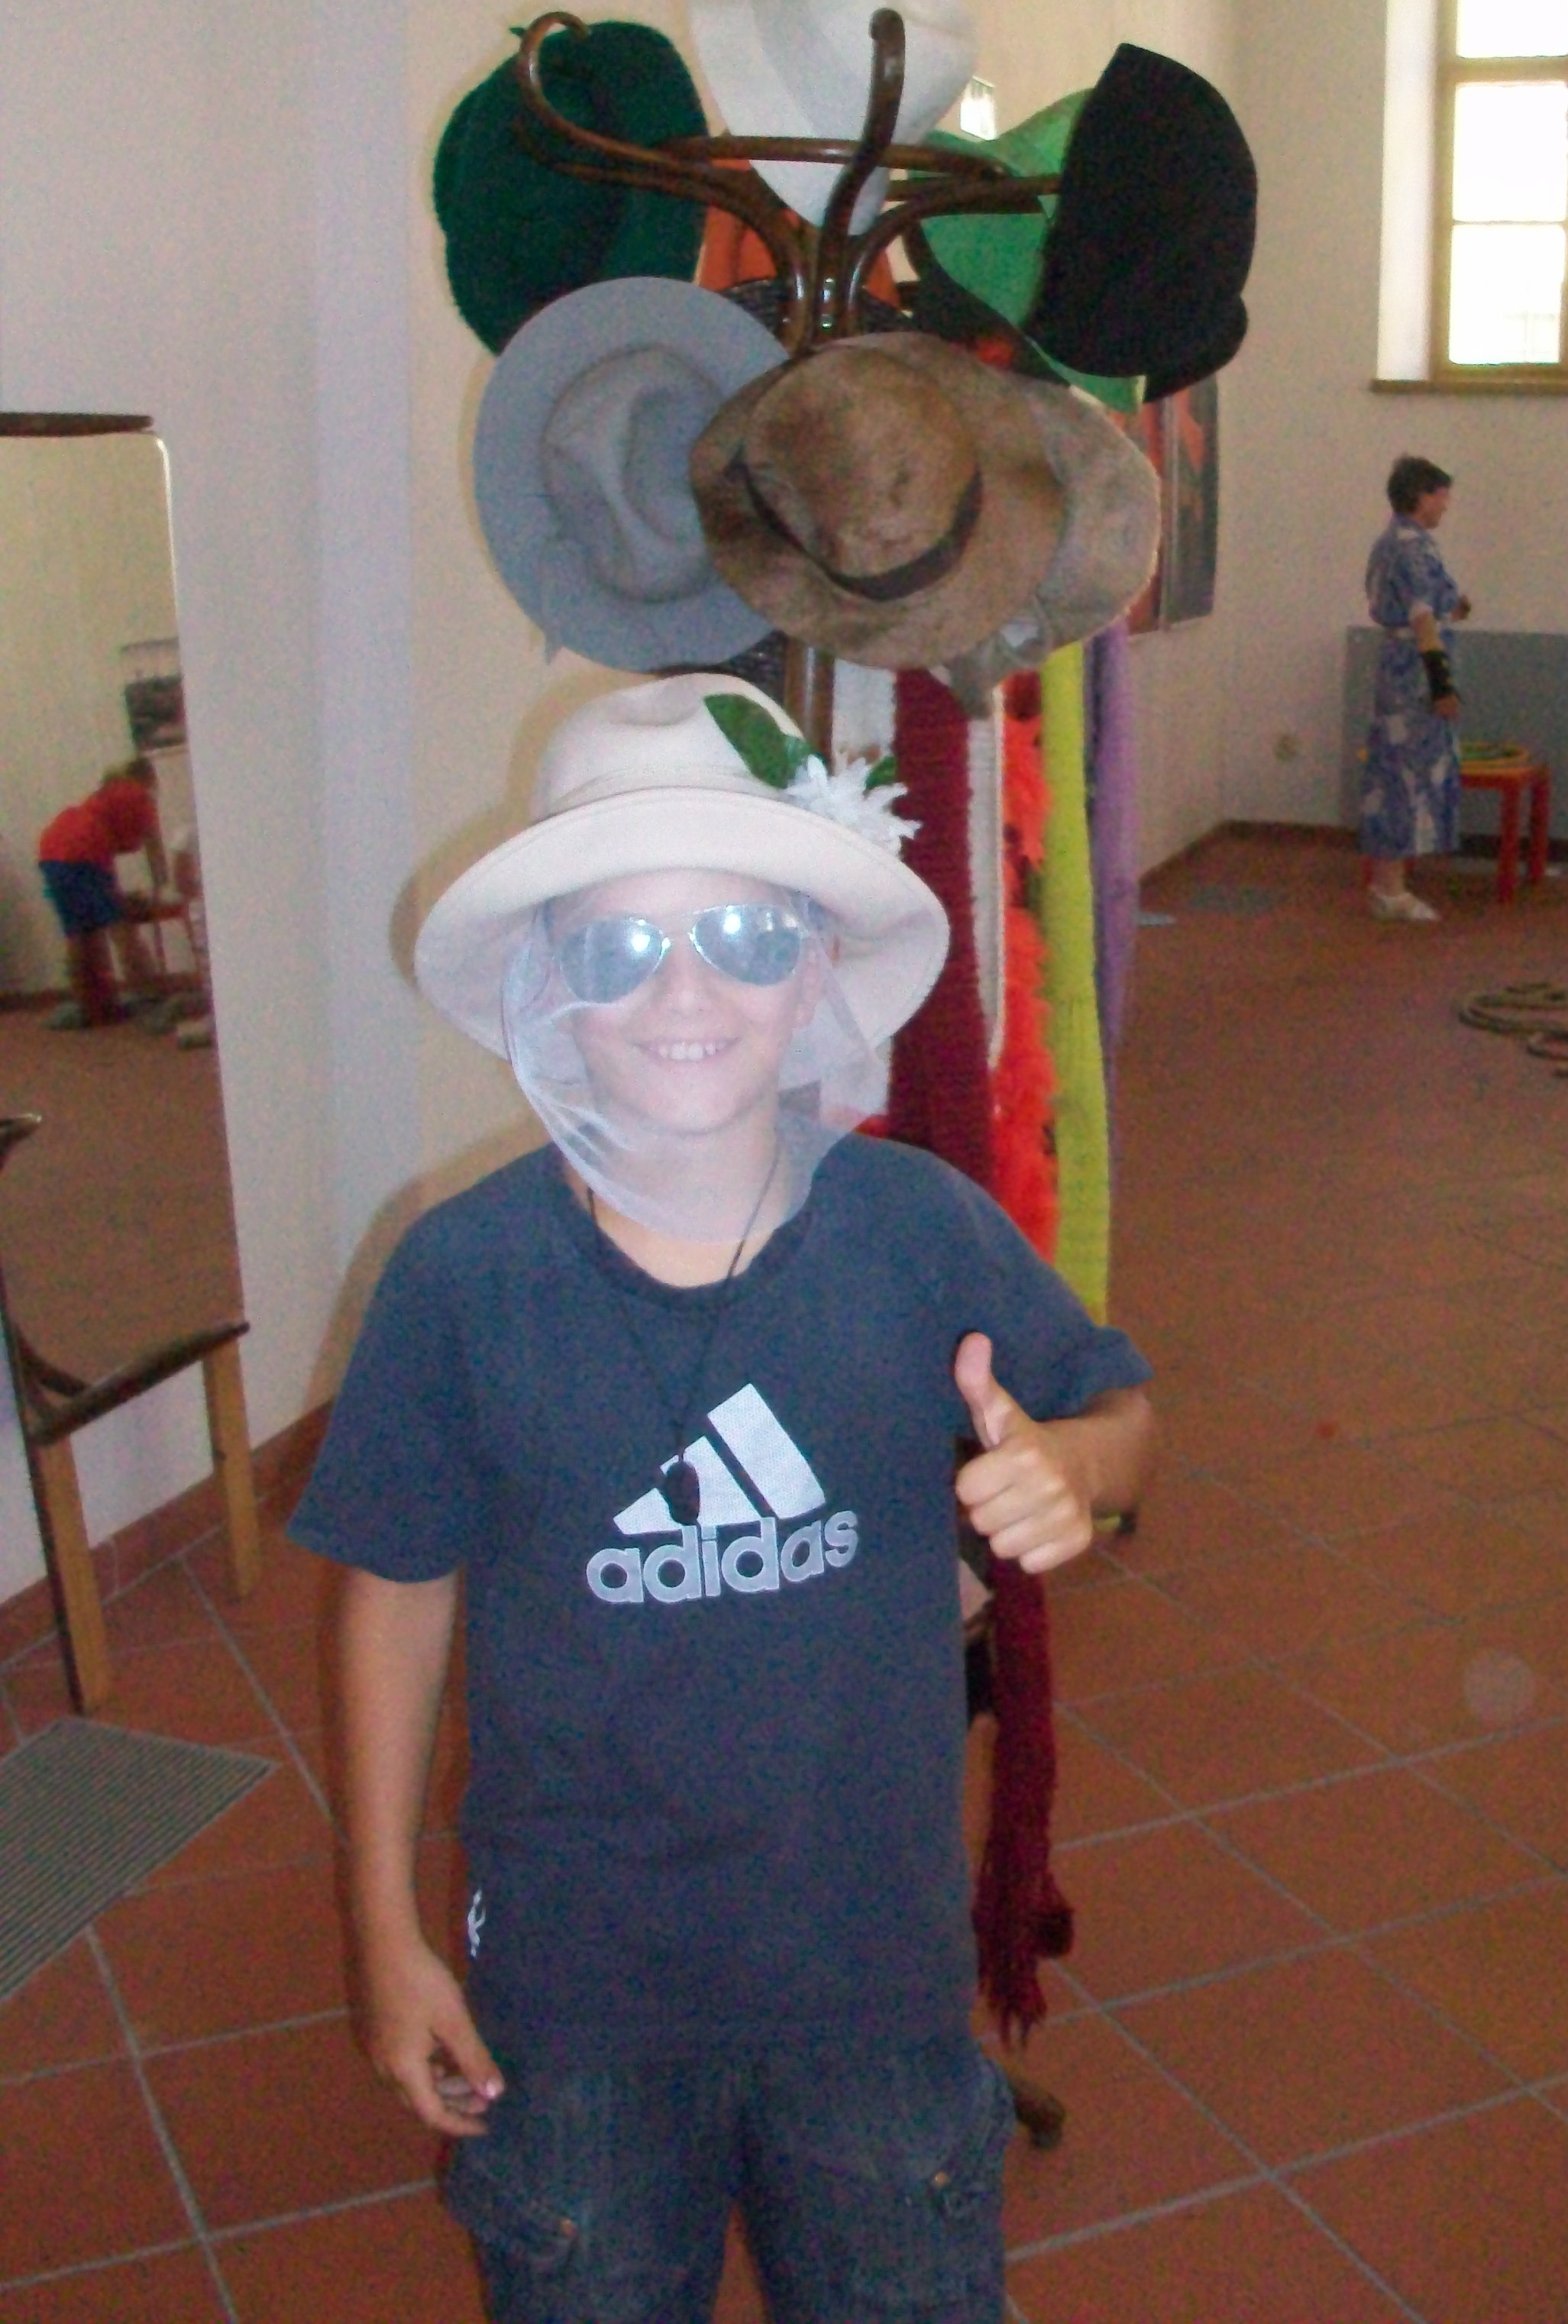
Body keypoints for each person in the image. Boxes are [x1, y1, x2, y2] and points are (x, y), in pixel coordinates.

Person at [289, 675, 1156, 2324]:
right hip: (578, 1988)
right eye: (620, 946)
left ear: (813, 967)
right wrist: (382, 1923)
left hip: (870, 1969)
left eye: (743, 938)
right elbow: (394, 1591)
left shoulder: (917, 1230)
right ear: (548, 979)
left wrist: (1082, 1471)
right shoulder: (462, 1280)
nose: (682, 991)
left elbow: (1117, 1406)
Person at [1359, 454, 1471, 923]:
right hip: (1414, 683)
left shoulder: (1392, 542)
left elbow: (1422, 606)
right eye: (1442, 496)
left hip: (1399, 673)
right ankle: (1390, 889)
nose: (1446, 505)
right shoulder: (1413, 548)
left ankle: (1389, 884)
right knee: (1403, 777)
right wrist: (1442, 686)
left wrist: (1455, 608)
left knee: (1394, 773)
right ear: (1422, 496)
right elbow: (1422, 620)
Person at [35, 756, 169, 1025]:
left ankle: (90, 1005)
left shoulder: (105, 793)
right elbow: (153, 846)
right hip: (84, 851)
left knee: (79, 932)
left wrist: (115, 893)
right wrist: (161, 886)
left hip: (51, 850)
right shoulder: (140, 796)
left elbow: (101, 855)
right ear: (148, 778)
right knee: (120, 927)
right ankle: (147, 995)